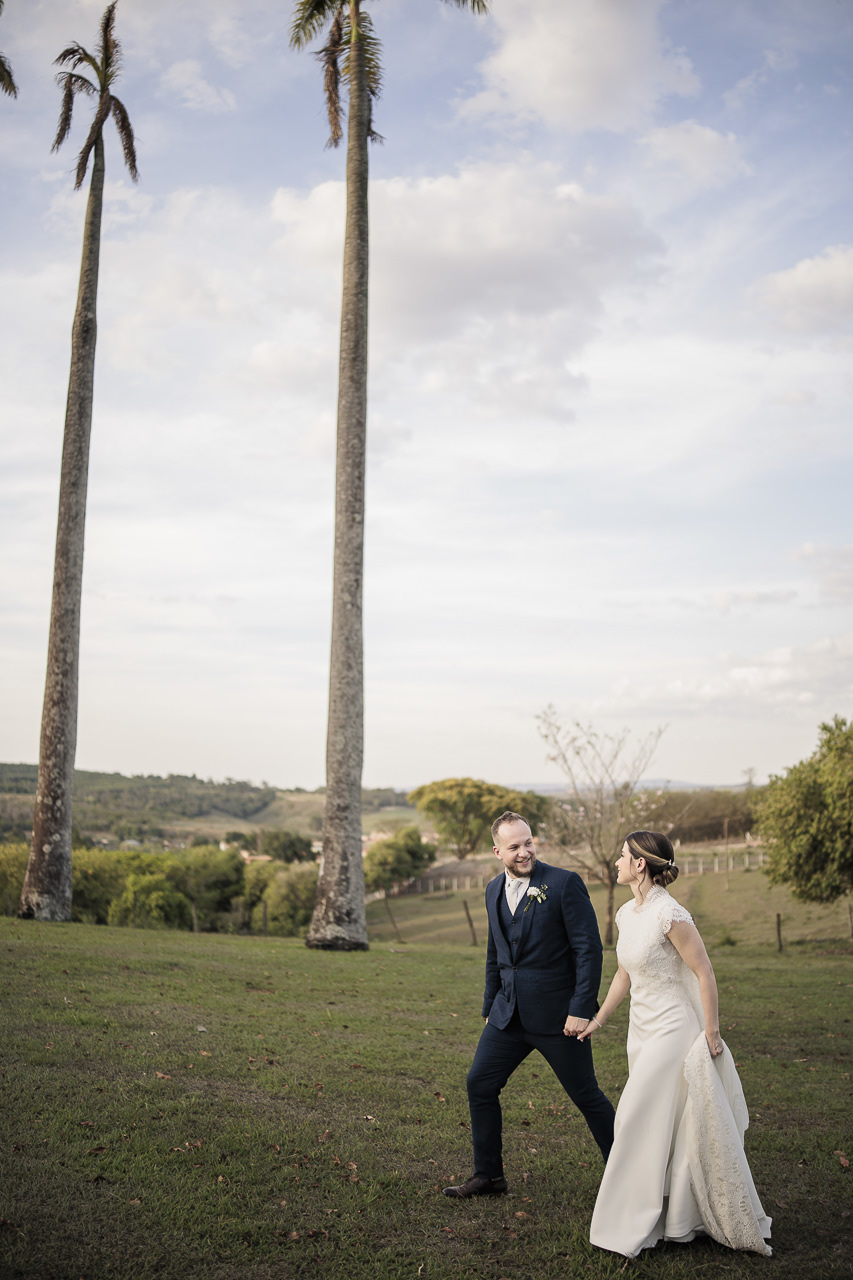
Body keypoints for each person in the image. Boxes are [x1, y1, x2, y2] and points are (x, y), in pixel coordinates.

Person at [580, 830, 772, 1258]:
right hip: (641, 1031)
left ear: (640, 864)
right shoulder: (627, 914)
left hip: (673, 1030)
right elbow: (624, 974)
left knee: (633, 1117)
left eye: (623, 856)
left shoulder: (671, 914)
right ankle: (677, 1217)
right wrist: (599, 1019)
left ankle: (629, 1222)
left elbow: (704, 972)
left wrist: (712, 1031)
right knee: (665, 1125)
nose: (617, 862)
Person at [443, 811, 614, 1198]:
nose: (525, 852)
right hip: (508, 1016)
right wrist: (491, 1004)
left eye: (529, 842)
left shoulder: (564, 884)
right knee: (479, 1083)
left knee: (587, 1097)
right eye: (515, 846)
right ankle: (489, 1176)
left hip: (560, 1018)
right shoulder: (492, 890)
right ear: (497, 852)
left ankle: (630, 1177)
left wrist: (581, 1008)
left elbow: (588, 950)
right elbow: (496, 952)